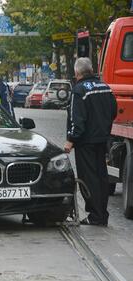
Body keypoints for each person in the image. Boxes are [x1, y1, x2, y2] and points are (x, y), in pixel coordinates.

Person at [64, 57, 117, 226]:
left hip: (85, 142)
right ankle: (102, 214)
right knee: (101, 177)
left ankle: (95, 216)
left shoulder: (79, 90)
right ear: (91, 70)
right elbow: (113, 111)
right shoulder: (105, 87)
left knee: (89, 179)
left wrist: (71, 140)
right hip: (103, 139)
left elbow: (77, 120)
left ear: (77, 72)